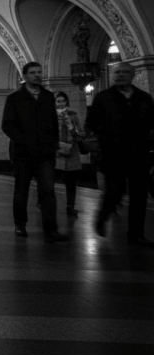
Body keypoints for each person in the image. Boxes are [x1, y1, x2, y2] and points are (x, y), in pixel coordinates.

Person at [87, 62, 154, 247]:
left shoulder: (144, 98)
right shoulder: (103, 98)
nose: (121, 75)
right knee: (115, 191)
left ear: (133, 75)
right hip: (113, 154)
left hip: (139, 154)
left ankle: (136, 234)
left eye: (125, 72)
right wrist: (105, 138)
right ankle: (103, 216)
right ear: (112, 75)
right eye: (117, 72)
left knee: (139, 196)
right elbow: (92, 124)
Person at [1, 62, 67, 242]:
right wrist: (23, 140)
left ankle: (51, 229)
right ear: (25, 76)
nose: (37, 75)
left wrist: (53, 143)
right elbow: (7, 125)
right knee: (21, 190)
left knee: (48, 190)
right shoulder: (15, 99)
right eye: (32, 73)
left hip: (45, 154)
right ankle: (20, 224)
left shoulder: (47, 96)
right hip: (23, 154)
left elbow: (53, 123)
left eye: (39, 72)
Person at [54, 91, 83, 217]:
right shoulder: (50, 116)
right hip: (55, 151)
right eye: (58, 101)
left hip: (71, 151)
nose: (61, 104)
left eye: (63, 101)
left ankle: (70, 206)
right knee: (50, 180)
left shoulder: (73, 114)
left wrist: (74, 129)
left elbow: (81, 132)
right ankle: (45, 204)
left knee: (71, 182)